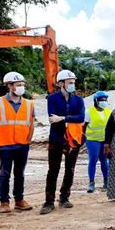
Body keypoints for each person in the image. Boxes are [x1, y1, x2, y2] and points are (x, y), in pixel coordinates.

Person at [40, 70, 85, 215]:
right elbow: (52, 117)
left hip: (73, 139)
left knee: (70, 169)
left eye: (73, 82)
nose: (73, 85)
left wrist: (63, 118)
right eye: (70, 82)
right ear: (61, 84)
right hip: (57, 138)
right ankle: (49, 201)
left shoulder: (79, 100)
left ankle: (64, 197)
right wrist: (65, 118)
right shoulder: (52, 99)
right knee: (53, 170)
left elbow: (81, 117)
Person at [0, 72, 34, 213]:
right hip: (4, 145)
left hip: (22, 145)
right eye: (18, 85)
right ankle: (4, 202)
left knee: (20, 173)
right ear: (9, 86)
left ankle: (19, 200)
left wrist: (28, 140)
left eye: (22, 85)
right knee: (5, 174)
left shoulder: (29, 104)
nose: (21, 87)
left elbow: (31, 124)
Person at [84, 91, 111, 193]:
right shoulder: (89, 112)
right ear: (96, 101)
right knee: (93, 160)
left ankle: (106, 181)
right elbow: (84, 126)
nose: (103, 102)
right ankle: (91, 182)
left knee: (104, 161)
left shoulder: (108, 111)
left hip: (105, 140)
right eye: (101, 100)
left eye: (105, 100)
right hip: (93, 140)